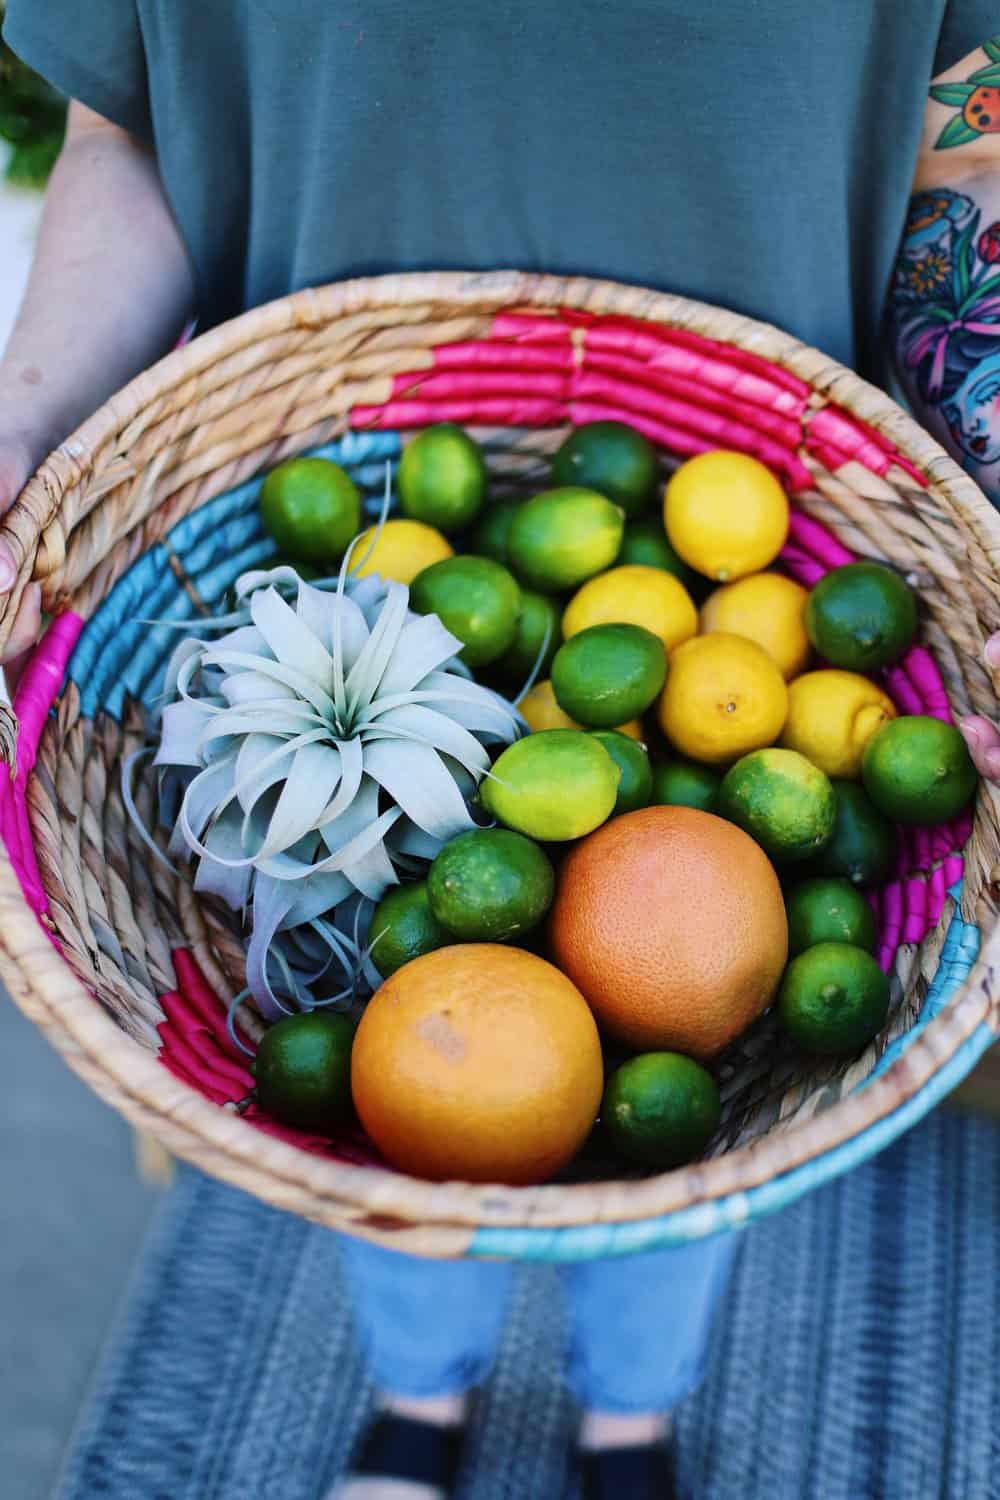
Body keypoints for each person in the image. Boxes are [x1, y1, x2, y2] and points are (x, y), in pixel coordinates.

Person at [3, 7, 1000, 1498]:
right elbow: (129, 126)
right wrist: (21, 439)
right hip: (341, 532)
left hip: (774, 541)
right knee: (388, 1082)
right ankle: (420, 1397)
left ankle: (633, 1415)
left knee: (690, 1108)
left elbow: (967, 142)